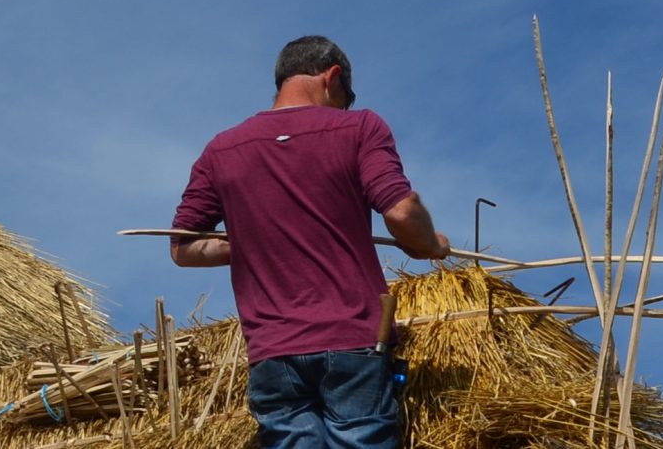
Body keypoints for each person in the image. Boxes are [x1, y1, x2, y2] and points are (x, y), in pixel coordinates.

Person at [168, 35, 452, 449]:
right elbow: (402, 212)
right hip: (352, 338)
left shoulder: (222, 149)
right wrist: (430, 245)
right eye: (344, 97)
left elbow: (182, 249)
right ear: (332, 76)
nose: (344, 107)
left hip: (272, 350)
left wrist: (255, 238)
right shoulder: (359, 127)